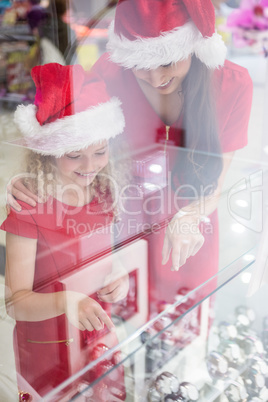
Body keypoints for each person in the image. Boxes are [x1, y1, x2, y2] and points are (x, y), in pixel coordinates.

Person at [7, 0, 253, 312]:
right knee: (123, 328)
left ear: (193, 45)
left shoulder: (232, 84)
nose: (154, 78)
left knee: (184, 322)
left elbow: (215, 181)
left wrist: (191, 217)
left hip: (190, 225)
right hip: (122, 225)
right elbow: (69, 136)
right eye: (140, 66)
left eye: (167, 62)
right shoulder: (110, 73)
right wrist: (32, 177)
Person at [1, 63, 128, 398]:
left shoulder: (104, 193)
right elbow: (16, 303)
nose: (90, 166)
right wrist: (68, 301)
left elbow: (105, 260)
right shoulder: (28, 207)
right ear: (48, 155)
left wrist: (118, 275)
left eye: (100, 151)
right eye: (74, 156)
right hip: (48, 349)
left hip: (98, 336)